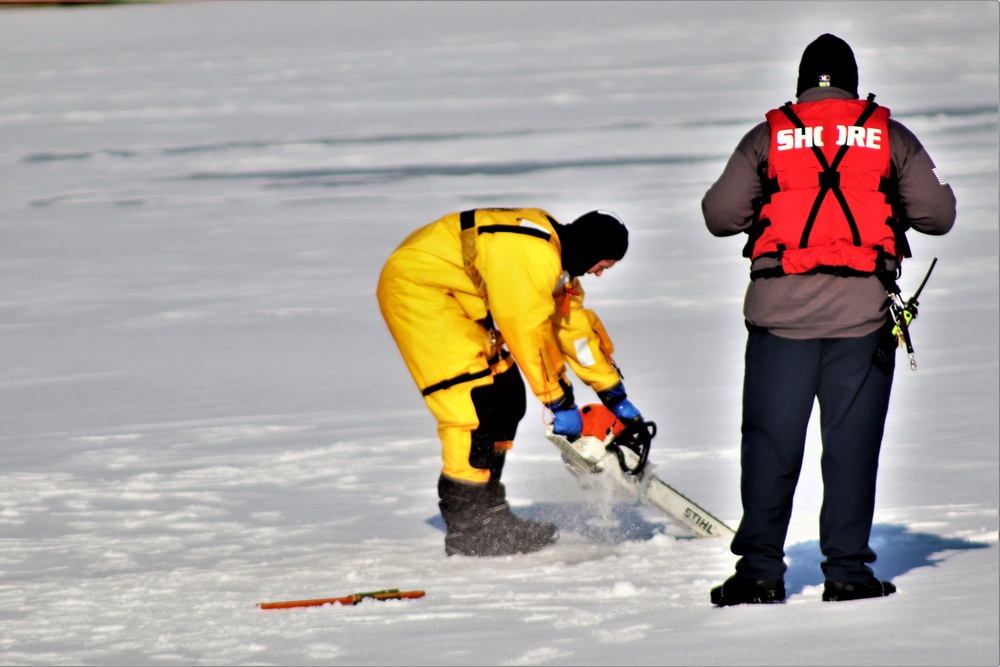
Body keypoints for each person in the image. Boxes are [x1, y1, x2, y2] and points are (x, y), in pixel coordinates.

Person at [702, 34, 956, 605]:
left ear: (800, 82)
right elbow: (938, 217)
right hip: (862, 324)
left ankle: (759, 574)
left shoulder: (770, 135)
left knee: (770, 448)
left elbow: (720, 216)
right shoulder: (887, 134)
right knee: (851, 450)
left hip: (778, 321)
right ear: (852, 79)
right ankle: (848, 573)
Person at [377, 207, 646, 557]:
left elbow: (573, 329)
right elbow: (528, 331)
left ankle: (492, 515)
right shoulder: (535, 258)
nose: (598, 274)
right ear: (591, 251)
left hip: (458, 295)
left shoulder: (556, 262)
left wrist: (612, 392)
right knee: (474, 403)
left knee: (507, 397)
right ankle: (469, 529)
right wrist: (558, 400)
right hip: (420, 291)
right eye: (603, 265)